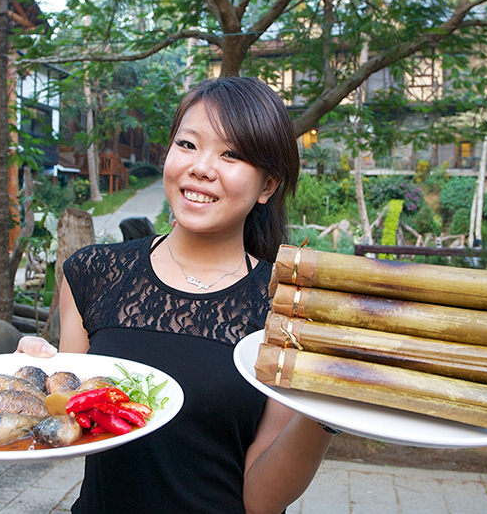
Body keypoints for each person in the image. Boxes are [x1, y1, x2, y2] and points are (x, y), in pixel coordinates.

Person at [17, 76, 334, 514]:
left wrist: (327, 413)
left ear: (267, 186)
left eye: (232, 154)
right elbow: (73, 425)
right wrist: (36, 380)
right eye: (188, 144)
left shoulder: (284, 309)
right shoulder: (93, 273)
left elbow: (261, 501)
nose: (201, 167)